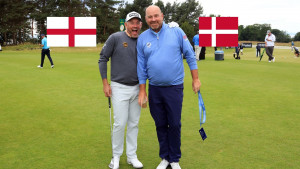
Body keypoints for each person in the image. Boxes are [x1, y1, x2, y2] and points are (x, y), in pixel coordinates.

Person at [137, 5, 201, 169]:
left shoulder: (176, 32)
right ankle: (165, 157)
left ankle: (174, 159)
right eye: (150, 17)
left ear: (162, 15)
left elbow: (190, 55)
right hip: (155, 89)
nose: (153, 19)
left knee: (174, 124)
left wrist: (196, 79)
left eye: (156, 16)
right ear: (146, 19)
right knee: (160, 124)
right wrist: (142, 90)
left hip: (174, 88)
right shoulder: (143, 38)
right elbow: (141, 66)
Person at [98, 11, 144, 169]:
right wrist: (105, 83)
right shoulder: (115, 38)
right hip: (119, 86)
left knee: (134, 123)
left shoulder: (143, 40)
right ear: (126, 24)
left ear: (141, 25)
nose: (135, 26)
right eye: (132, 22)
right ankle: (116, 157)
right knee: (119, 123)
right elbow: (103, 58)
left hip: (138, 87)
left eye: (137, 23)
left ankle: (132, 156)